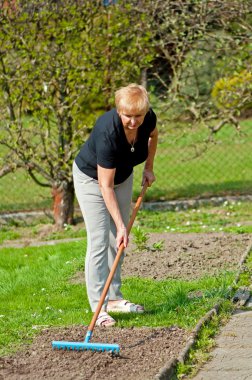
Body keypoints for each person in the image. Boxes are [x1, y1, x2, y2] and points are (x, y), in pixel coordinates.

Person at [73, 83, 158, 327]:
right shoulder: (107, 133)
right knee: (101, 238)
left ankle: (114, 299)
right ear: (119, 110)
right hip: (93, 180)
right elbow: (104, 186)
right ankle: (97, 306)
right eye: (128, 116)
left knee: (117, 239)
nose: (133, 122)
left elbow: (153, 135)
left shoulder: (148, 118)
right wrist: (121, 224)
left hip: (123, 176)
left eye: (138, 116)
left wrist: (149, 168)